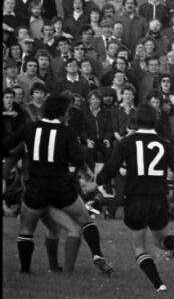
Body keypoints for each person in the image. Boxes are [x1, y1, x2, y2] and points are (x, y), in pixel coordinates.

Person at [3, 94, 113, 275]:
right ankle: (96, 254)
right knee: (85, 219)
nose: (69, 115)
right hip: (61, 189)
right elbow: (77, 159)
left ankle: (25, 271)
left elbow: (6, 145)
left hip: (36, 188)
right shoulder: (67, 132)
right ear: (61, 113)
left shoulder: (30, 128)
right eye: (68, 111)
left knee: (26, 230)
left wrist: (17, 158)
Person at [96, 104, 174, 291]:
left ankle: (159, 285)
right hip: (158, 199)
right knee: (159, 239)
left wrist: (100, 180)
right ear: (155, 121)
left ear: (136, 121)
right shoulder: (165, 143)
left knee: (139, 246)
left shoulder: (127, 142)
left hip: (136, 198)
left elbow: (111, 167)